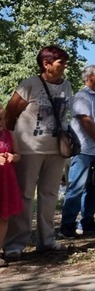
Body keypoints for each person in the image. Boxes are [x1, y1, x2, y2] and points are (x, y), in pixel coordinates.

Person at [3, 45, 73, 258]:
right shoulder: (30, 84)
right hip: (29, 148)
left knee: (50, 195)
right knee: (24, 195)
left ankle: (47, 241)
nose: (65, 66)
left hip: (57, 149)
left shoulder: (67, 86)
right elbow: (10, 114)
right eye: (61, 62)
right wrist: (12, 145)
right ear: (46, 64)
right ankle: (15, 244)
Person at [60, 65, 95, 238]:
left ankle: (88, 221)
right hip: (84, 150)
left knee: (94, 187)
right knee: (77, 186)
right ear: (90, 77)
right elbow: (86, 121)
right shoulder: (81, 97)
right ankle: (68, 225)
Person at [0, 105, 24, 266]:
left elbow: (18, 155)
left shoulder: (9, 134)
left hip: (6, 179)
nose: (1, 122)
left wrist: (12, 157)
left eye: (2, 119)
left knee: (4, 217)